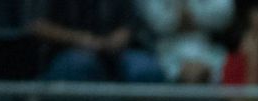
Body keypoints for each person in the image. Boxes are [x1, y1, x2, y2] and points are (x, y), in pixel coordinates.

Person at [29, 0, 165, 82]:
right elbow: (36, 25)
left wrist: (123, 34)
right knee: (80, 65)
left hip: (118, 53)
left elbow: (132, 20)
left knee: (146, 69)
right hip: (68, 51)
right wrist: (79, 39)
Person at [136, 0, 236, 83]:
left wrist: (191, 14)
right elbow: (157, 21)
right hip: (168, 50)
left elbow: (224, 13)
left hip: (210, 49)